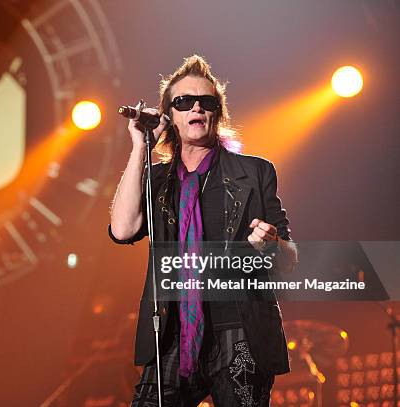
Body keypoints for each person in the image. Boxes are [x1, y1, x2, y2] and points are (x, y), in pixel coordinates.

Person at [109, 54, 298, 407]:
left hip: (239, 331)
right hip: (170, 331)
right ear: (170, 116)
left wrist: (270, 245)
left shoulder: (254, 174)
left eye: (207, 101)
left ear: (217, 113)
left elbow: (288, 259)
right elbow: (122, 229)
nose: (197, 106)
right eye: (184, 101)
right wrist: (140, 145)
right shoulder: (157, 179)